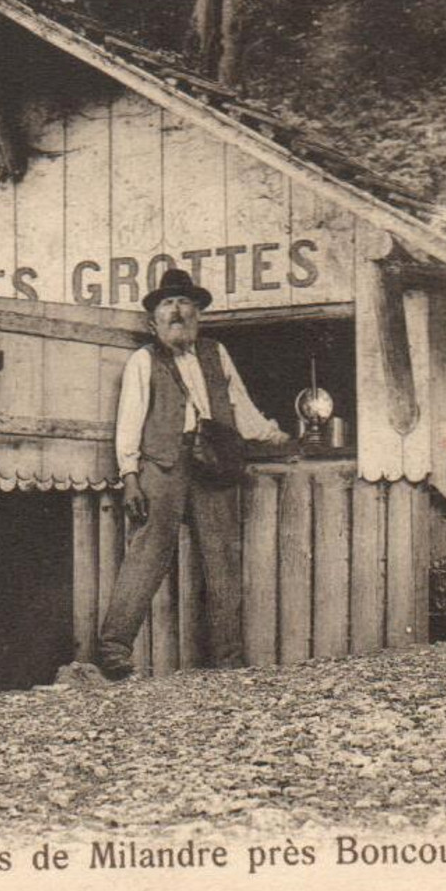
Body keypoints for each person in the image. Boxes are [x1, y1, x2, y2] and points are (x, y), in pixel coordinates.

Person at [95, 268, 293, 679]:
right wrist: (130, 475)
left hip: (214, 463)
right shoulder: (143, 361)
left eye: (184, 302)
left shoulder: (216, 353)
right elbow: (129, 421)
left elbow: (241, 408)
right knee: (149, 552)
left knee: (222, 556)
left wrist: (276, 436)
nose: (177, 310)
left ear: (197, 313)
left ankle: (228, 659)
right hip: (163, 464)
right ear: (153, 321)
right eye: (167, 304)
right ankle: (114, 649)